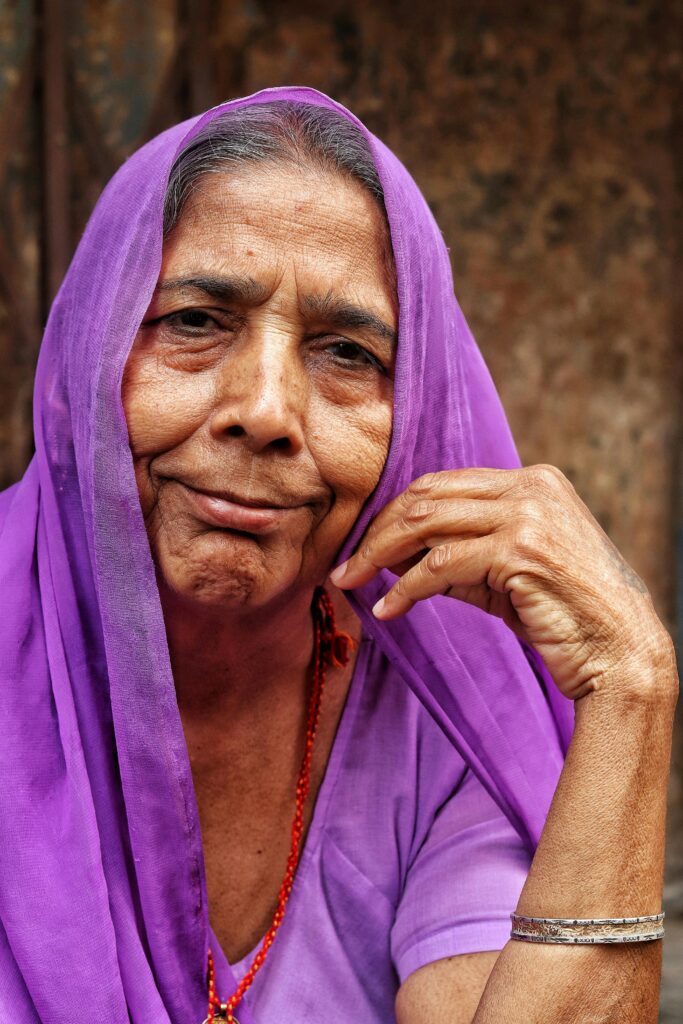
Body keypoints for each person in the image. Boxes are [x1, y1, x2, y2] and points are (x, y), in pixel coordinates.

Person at [0, 86, 676, 1024]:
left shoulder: (438, 715)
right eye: (195, 320)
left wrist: (633, 688)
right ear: (87, 354)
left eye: (346, 352)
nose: (267, 411)